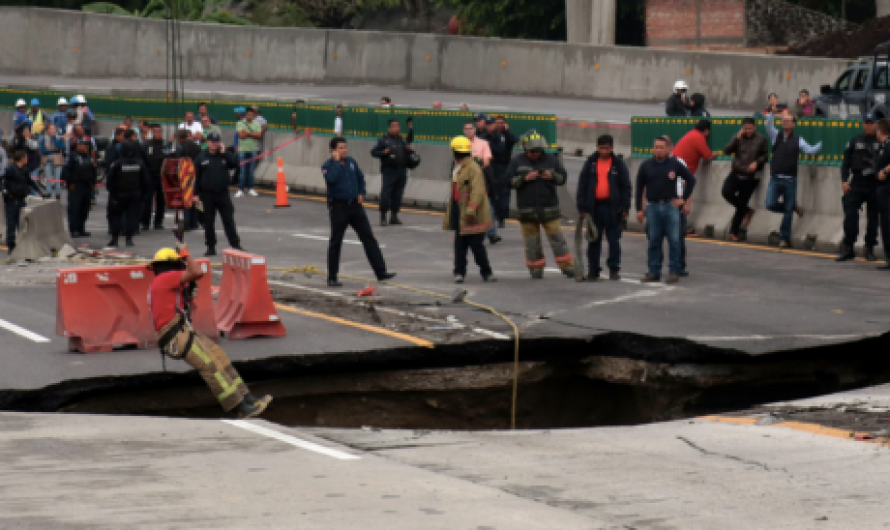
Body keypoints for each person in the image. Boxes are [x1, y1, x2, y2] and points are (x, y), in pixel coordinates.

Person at [148, 244, 272, 418]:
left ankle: (246, 398)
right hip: (175, 335)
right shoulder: (166, 278)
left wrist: (187, 295)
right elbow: (197, 272)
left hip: (181, 331)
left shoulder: (163, 282)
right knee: (209, 366)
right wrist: (185, 253)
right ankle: (238, 407)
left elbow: (188, 307)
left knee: (219, 357)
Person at [322, 137, 396, 287]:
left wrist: (361, 192)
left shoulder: (351, 162)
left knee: (368, 238)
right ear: (333, 150)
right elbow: (331, 179)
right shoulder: (328, 165)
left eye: (345, 147)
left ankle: (381, 272)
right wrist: (336, 162)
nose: (344, 150)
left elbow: (360, 178)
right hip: (339, 207)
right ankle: (332, 277)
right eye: (340, 148)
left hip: (355, 207)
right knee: (336, 242)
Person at [507, 131, 575, 279]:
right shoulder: (517, 161)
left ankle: (567, 266)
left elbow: (562, 178)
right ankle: (535, 268)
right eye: (532, 151)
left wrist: (552, 176)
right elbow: (508, 181)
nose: (535, 154)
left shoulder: (551, 160)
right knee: (532, 242)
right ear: (525, 148)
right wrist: (524, 179)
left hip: (549, 208)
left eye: (538, 151)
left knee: (558, 239)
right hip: (527, 210)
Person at [635, 137, 696, 284]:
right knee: (654, 240)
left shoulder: (675, 164)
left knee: (674, 240)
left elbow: (691, 180)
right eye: (656, 147)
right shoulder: (646, 165)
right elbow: (639, 188)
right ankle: (654, 271)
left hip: (671, 207)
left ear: (668, 148)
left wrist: (683, 199)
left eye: (661, 147)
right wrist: (639, 209)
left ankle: (674, 271)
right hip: (653, 207)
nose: (658, 150)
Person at [576, 135, 631, 281]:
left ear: (612, 147)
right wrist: (582, 207)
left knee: (614, 240)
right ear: (597, 147)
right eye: (601, 148)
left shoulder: (618, 164)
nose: (604, 151)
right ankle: (593, 269)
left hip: (613, 209)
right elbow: (582, 185)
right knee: (593, 240)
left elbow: (626, 186)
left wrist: (624, 206)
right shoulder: (590, 163)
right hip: (594, 208)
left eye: (607, 148)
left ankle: (614, 269)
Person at [764, 112, 822, 248]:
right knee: (770, 204)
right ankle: (791, 207)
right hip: (776, 178)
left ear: (793, 124)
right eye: (783, 120)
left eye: (788, 121)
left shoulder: (798, 140)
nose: (784, 122)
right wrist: (772, 112)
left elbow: (810, 150)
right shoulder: (776, 135)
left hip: (790, 180)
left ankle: (784, 238)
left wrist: (820, 144)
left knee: (788, 212)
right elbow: (768, 125)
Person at [444, 136, 496, 283]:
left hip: (471, 214)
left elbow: (477, 191)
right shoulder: (457, 167)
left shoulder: (473, 168)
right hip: (459, 210)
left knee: (476, 245)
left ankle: (486, 272)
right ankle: (459, 272)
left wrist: (471, 210)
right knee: (460, 245)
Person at [838, 114, 882, 262]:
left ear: (875, 125)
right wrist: (844, 181)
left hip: (874, 183)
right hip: (857, 182)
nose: (869, 126)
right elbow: (845, 163)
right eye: (866, 123)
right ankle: (849, 247)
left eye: (871, 123)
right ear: (863, 125)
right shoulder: (855, 141)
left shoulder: (881, 142)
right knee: (850, 214)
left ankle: (869, 248)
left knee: (873, 218)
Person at [195, 132, 243, 257]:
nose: (214, 144)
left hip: (223, 193)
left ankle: (235, 244)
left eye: (216, 142)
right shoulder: (201, 157)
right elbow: (196, 177)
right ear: (207, 142)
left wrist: (225, 152)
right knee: (208, 222)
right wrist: (196, 194)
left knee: (229, 220)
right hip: (207, 195)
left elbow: (235, 164)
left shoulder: (224, 155)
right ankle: (210, 247)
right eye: (212, 142)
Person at [722, 117, 769, 241]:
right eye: (746, 128)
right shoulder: (738, 137)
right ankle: (747, 210)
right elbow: (726, 151)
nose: (748, 131)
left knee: (742, 202)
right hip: (736, 172)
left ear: (755, 127)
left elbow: (765, 155)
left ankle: (733, 232)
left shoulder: (761, 139)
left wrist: (756, 163)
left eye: (750, 128)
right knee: (726, 192)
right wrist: (736, 139)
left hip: (750, 177)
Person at [105, 141, 150, 248]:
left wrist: (112, 192)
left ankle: (115, 239)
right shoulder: (140, 164)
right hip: (135, 194)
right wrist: (143, 194)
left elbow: (110, 180)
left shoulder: (117, 164)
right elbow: (145, 180)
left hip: (118, 194)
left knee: (116, 217)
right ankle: (129, 239)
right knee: (131, 217)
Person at [371, 118, 414, 226]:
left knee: (398, 194)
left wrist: (409, 151)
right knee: (386, 193)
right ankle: (383, 217)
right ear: (389, 128)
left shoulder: (402, 140)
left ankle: (394, 216)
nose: (396, 128)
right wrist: (383, 152)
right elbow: (373, 152)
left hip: (401, 170)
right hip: (389, 170)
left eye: (398, 126)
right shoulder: (384, 140)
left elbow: (409, 143)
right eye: (394, 126)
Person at [463, 120, 499, 244]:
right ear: (464, 131)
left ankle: (492, 233)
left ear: (474, 130)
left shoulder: (483, 143)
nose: (468, 131)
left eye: (470, 128)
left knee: (487, 206)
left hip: (481, 177)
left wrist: (477, 167)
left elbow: (487, 161)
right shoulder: (460, 144)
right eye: (466, 129)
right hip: (466, 179)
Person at [4, 151, 46, 253]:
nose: (27, 159)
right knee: (11, 224)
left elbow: (30, 181)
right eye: (26, 157)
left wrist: (39, 191)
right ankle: (11, 245)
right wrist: (5, 191)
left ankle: (21, 244)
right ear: (22, 158)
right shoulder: (10, 169)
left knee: (21, 223)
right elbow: (3, 181)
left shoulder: (24, 170)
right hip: (12, 200)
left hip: (21, 199)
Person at [62, 139, 98, 238]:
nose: (85, 147)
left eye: (86, 146)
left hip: (87, 186)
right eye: (82, 145)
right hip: (76, 186)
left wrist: (93, 183)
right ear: (77, 146)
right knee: (75, 208)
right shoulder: (72, 157)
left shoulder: (89, 157)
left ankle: (81, 229)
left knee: (84, 209)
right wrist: (70, 183)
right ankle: (73, 229)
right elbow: (66, 171)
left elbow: (93, 171)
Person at [489, 116, 518, 228]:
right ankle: (495, 215)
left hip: (505, 166)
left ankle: (502, 217)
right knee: (494, 192)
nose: (499, 125)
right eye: (497, 123)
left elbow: (514, 140)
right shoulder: (493, 135)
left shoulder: (507, 135)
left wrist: (507, 130)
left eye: (501, 123)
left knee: (504, 192)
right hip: (494, 166)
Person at [141, 123, 167, 231]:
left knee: (161, 200)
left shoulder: (165, 145)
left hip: (162, 176)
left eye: (160, 132)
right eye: (156, 132)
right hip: (149, 175)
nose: (158, 134)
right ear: (152, 133)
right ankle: (145, 223)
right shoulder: (146, 145)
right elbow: (142, 160)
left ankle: (158, 222)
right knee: (147, 200)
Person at [236, 108, 263, 198]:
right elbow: (241, 135)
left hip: (253, 149)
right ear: (246, 115)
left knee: (251, 171)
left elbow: (259, 135)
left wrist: (247, 133)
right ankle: (240, 190)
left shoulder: (257, 124)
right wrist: (252, 134)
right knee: (243, 171)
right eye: (248, 115)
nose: (250, 116)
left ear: (254, 115)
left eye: (251, 115)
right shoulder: (240, 123)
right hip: (243, 150)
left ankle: (251, 188)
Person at [874, 119, 890, 269]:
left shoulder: (888, 145)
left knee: (887, 223)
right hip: (882, 189)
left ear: (880, 131)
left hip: (887, 188)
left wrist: (885, 171)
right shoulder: (884, 145)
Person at [39, 124, 67, 201]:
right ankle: (48, 193)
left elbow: (60, 147)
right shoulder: (44, 138)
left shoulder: (59, 138)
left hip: (57, 161)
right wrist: (54, 150)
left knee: (57, 179)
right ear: (48, 130)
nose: (52, 130)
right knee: (48, 178)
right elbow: (43, 150)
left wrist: (54, 138)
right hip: (47, 161)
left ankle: (58, 194)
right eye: (50, 129)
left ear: (56, 130)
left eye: (53, 129)